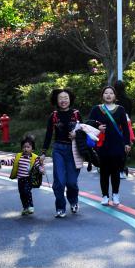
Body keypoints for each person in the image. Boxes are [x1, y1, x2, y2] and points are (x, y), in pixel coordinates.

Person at [40, 88, 83, 218]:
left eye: (66, 98)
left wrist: (76, 134)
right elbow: (48, 135)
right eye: (60, 98)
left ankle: (73, 201)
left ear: (70, 99)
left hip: (73, 150)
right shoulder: (53, 116)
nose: (63, 100)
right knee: (59, 182)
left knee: (71, 182)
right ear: (56, 100)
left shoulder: (76, 114)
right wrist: (43, 152)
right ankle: (60, 207)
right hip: (58, 149)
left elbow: (84, 130)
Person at [89, 86, 132, 206]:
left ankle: (115, 194)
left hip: (117, 144)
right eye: (106, 93)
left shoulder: (120, 109)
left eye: (111, 93)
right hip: (102, 144)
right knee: (104, 171)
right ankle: (105, 196)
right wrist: (97, 127)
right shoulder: (96, 109)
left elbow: (125, 128)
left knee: (115, 171)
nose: (108, 95)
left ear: (115, 96)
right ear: (102, 95)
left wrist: (127, 143)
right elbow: (88, 123)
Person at [0, 136, 44, 216]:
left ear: (32, 149)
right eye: (24, 147)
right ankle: (25, 207)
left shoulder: (34, 158)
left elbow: (37, 166)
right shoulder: (19, 156)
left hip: (28, 178)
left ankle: (30, 206)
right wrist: (4, 162)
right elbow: (12, 161)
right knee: (22, 193)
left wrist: (41, 169)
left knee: (27, 191)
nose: (25, 149)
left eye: (28, 147)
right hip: (20, 179)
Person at [114, 81, 135, 179]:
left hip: (115, 125)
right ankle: (121, 169)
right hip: (126, 124)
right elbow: (129, 113)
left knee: (114, 146)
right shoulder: (128, 100)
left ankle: (115, 168)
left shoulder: (114, 100)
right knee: (125, 146)